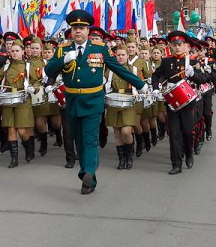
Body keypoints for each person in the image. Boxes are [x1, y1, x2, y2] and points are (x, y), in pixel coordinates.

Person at [45, 10, 147, 195]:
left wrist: (140, 84)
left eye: (82, 28)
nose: (78, 31)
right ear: (71, 29)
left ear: (88, 30)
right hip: (73, 101)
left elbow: (118, 68)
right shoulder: (63, 49)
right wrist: (62, 60)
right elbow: (48, 70)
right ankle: (88, 176)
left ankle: (89, 172)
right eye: (75, 28)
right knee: (79, 140)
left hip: (93, 101)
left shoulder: (99, 49)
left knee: (90, 140)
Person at [152, 31, 206, 175]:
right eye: (174, 45)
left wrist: (193, 74)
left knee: (187, 131)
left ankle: (188, 153)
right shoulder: (166, 61)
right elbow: (155, 75)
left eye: (180, 45)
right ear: (170, 45)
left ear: (186, 46)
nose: (177, 47)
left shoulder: (193, 62)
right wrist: (156, 89)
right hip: (172, 102)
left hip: (188, 102)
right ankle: (176, 163)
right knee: (174, 133)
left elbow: (203, 80)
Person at [0, 39, 40, 168]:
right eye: (12, 51)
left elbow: (36, 81)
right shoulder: (6, 67)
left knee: (22, 131)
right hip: (8, 101)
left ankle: (28, 148)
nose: (15, 53)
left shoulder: (28, 66)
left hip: (23, 101)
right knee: (11, 129)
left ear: (23, 52)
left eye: (17, 51)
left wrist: (34, 88)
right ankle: (14, 158)